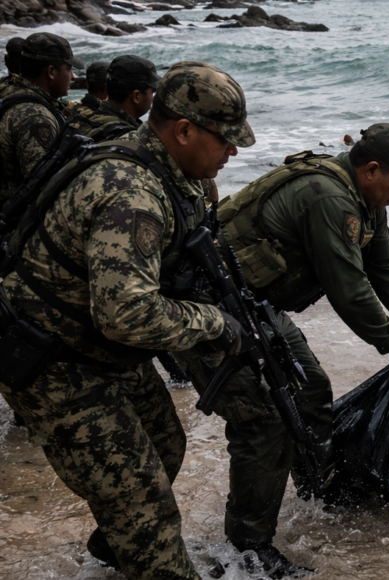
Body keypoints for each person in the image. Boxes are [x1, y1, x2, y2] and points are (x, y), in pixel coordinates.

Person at [0, 61, 255, 580]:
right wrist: (211, 323)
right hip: (52, 359)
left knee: (166, 443)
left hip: (92, 342)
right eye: (226, 140)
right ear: (183, 130)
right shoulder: (131, 192)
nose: (233, 152)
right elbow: (128, 312)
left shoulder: (163, 169)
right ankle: (145, 551)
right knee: (147, 510)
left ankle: (120, 547)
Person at [172, 122, 389, 577]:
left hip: (254, 307)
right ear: (372, 169)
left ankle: (321, 490)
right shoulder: (329, 197)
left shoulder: (365, 199)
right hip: (209, 308)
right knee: (264, 419)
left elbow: (383, 262)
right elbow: (348, 288)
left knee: (311, 389)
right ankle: (248, 549)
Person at [0, 32, 82, 211]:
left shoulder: (8, 88)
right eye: (68, 69)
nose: (72, 76)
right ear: (51, 72)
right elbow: (43, 190)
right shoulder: (35, 117)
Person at [70, 55, 160, 142]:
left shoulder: (80, 117)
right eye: (152, 92)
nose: (152, 97)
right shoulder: (129, 139)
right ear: (136, 96)